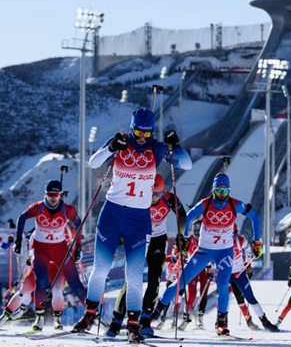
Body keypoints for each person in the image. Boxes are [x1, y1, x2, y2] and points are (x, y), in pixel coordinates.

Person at [72, 108, 192, 343]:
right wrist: (110, 148)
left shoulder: (156, 148)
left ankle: (134, 324)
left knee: (135, 274)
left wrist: (175, 146)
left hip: (139, 218)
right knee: (100, 268)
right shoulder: (121, 141)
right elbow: (92, 162)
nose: (141, 138)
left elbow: (186, 164)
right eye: (138, 131)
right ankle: (89, 315)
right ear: (131, 127)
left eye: (146, 134)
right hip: (112, 213)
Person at [151, 173, 262, 336]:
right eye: (219, 190)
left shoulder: (235, 204)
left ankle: (221, 323)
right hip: (204, 251)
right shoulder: (205, 204)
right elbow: (188, 217)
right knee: (180, 282)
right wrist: (185, 238)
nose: (222, 194)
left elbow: (255, 217)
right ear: (214, 190)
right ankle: (153, 315)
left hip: (224, 252)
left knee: (223, 284)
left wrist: (256, 241)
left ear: (229, 190)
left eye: (225, 190)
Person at [105, 173, 187, 337]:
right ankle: (116, 321)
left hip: (158, 239)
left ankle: (145, 319)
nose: (154, 198)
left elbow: (183, 216)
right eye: (151, 193)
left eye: (157, 194)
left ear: (162, 191)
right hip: (139, 239)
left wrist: (181, 235)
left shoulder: (170, 198)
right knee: (131, 279)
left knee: (154, 278)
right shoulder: (136, 198)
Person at [12, 180, 86, 331]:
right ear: (45, 194)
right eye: (50, 194)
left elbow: (78, 224)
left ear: (60, 194)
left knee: (71, 285)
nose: (53, 197)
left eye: (56, 194)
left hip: (59, 252)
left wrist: (78, 248)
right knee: (40, 282)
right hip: (41, 250)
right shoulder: (38, 207)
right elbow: (22, 218)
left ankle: (91, 315)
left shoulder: (67, 210)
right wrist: (18, 241)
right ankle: (39, 319)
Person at [229, 225, 278, 332]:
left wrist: (248, 266)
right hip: (225, 273)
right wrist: (210, 268)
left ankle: (265, 322)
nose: (231, 238)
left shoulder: (241, 240)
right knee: (226, 297)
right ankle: (222, 322)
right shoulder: (219, 241)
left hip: (239, 272)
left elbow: (249, 254)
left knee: (250, 298)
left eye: (232, 234)